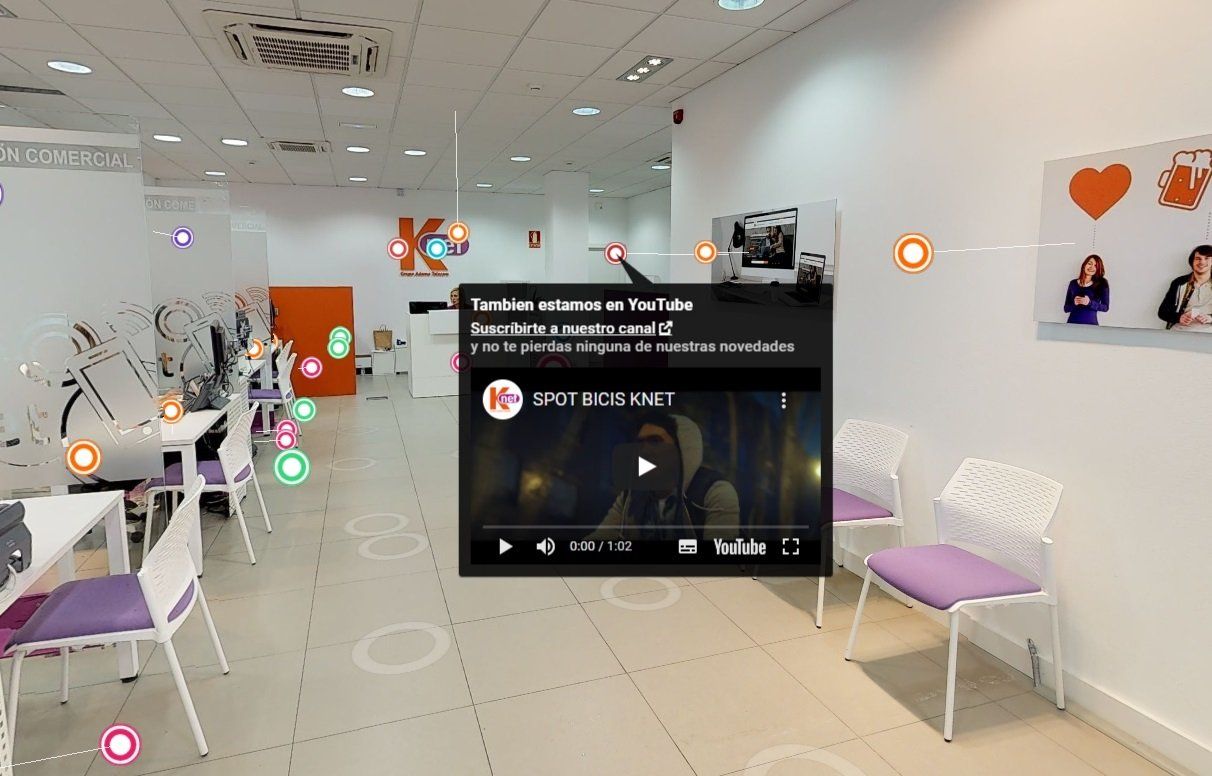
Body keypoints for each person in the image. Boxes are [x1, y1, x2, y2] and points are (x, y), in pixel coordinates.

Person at [591, 412, 740, 542]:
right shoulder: (630, 496)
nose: (644, 451)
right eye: (640, 443)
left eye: (655, 441)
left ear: (682, 449)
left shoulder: (715, 493)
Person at [1158, 245, 1212, 331]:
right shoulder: (1179, 282)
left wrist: (1210, 318)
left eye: (1207, 258)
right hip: (1180, 331)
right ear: (1192, 262)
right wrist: (1179, 317)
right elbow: (1162, 312)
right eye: (1198, 258)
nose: (1202, 262)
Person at [1063, 254, 1110, 325]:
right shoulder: (1073, 283)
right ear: (1084, 265)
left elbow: (1105, 308)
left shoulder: (1102, 284)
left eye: (1095, 266)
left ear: (1098, 269)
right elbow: (1066, 309)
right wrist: (1074, 303)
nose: (1092, 267)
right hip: (1072, 325)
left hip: (1091, 326)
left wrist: (1089, 303)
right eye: (1089, 263)